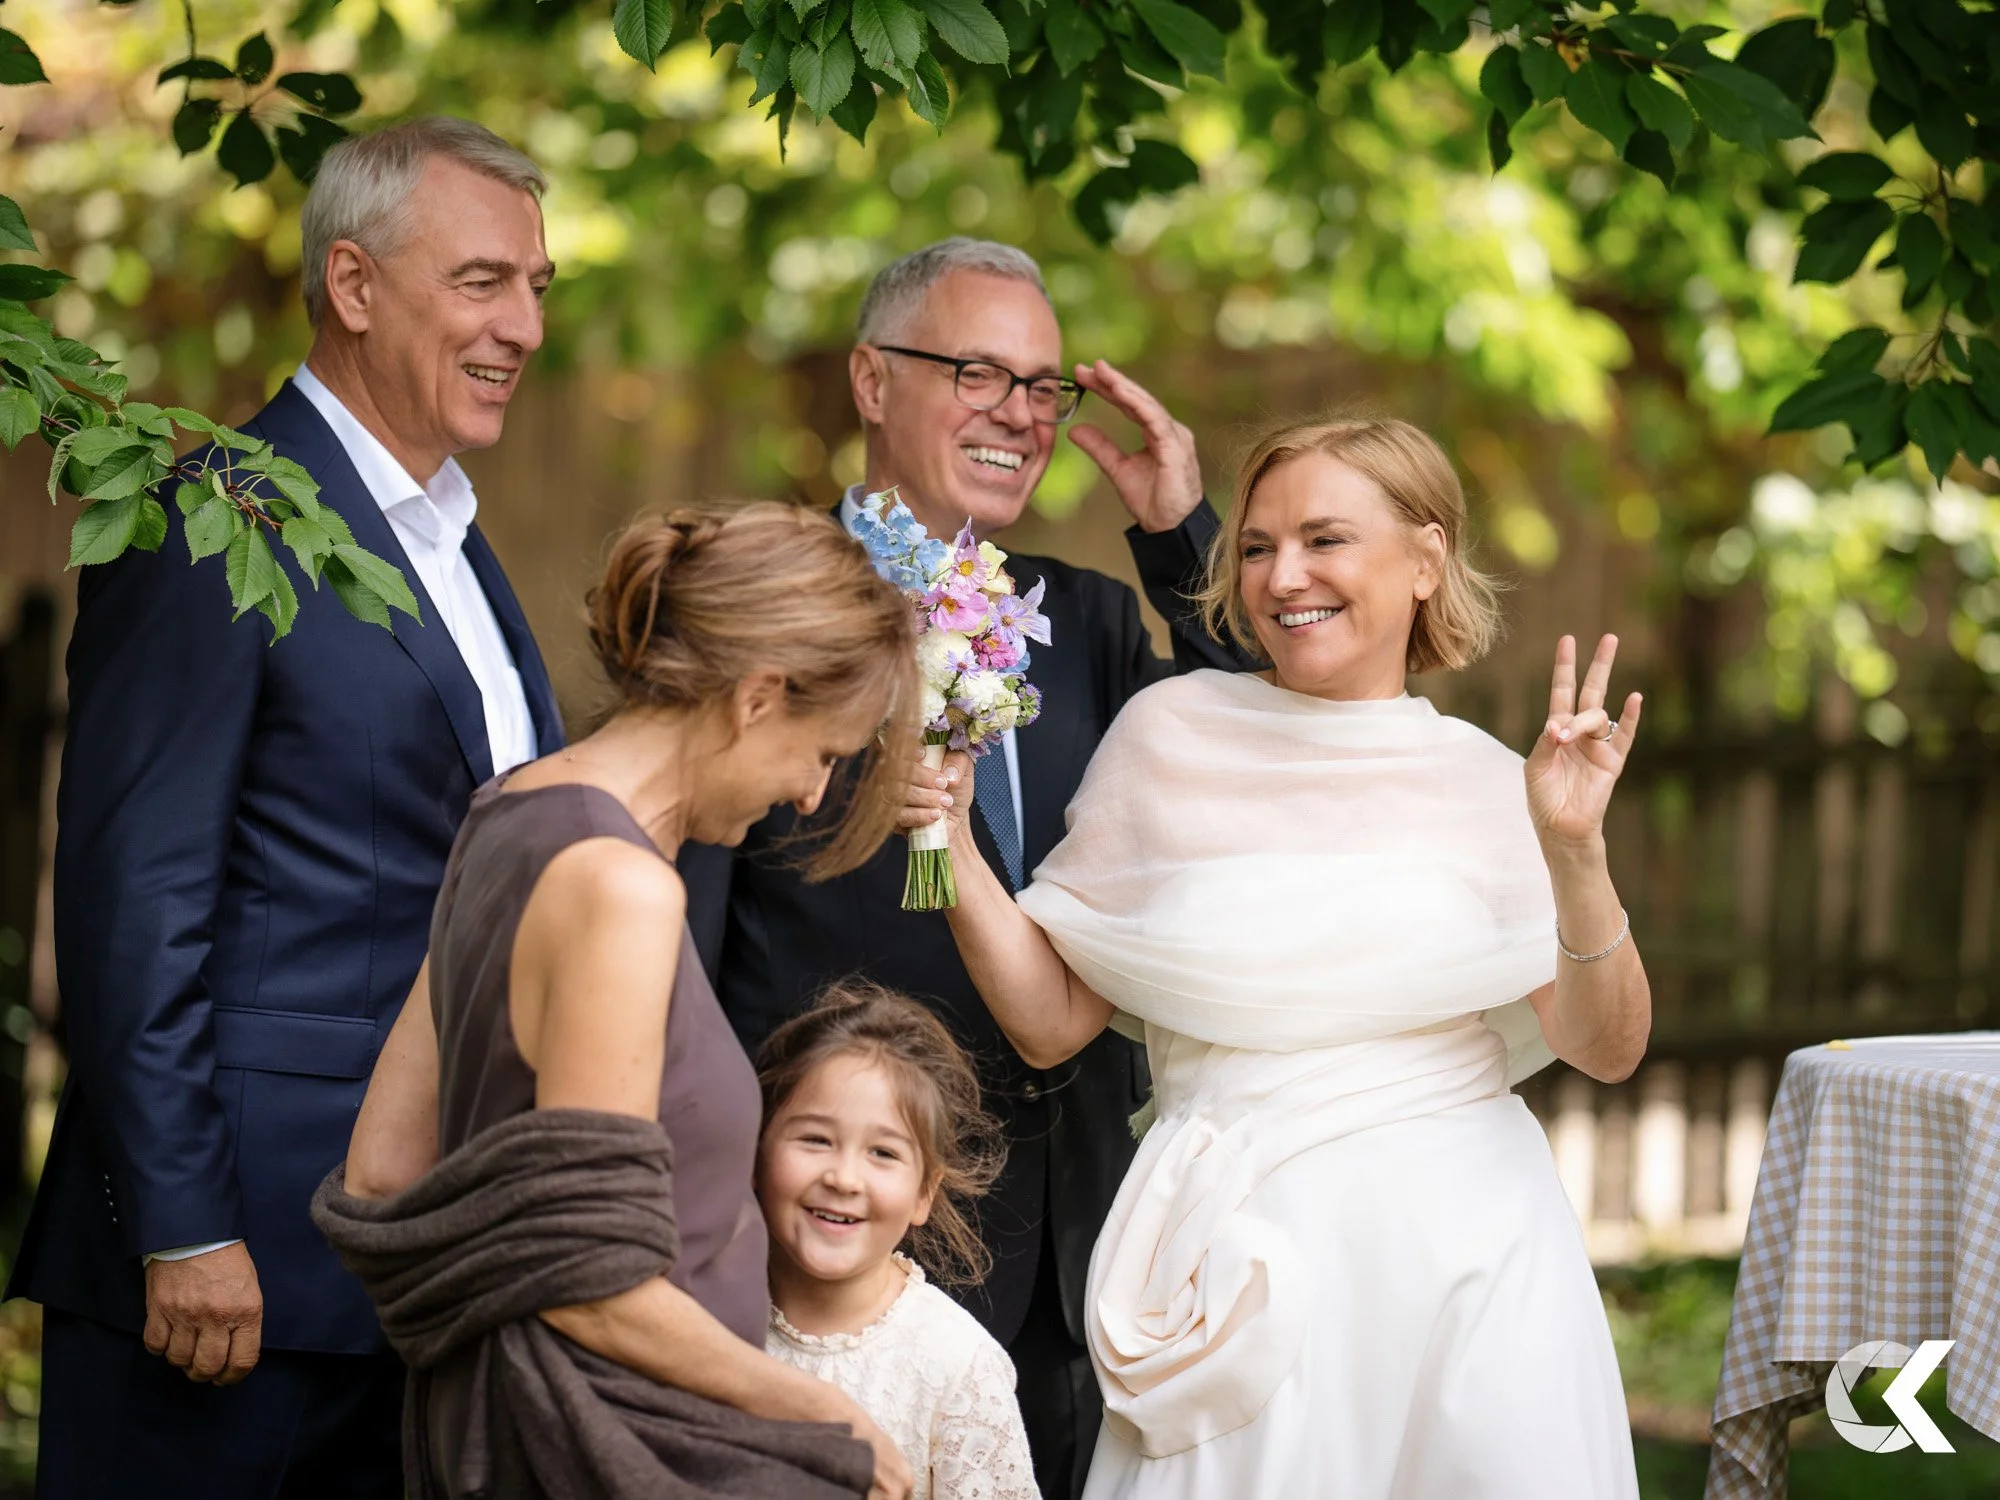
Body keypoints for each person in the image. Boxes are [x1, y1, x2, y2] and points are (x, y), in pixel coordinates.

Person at [916, 415, 1649, 1499]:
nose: (1280, 576)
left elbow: (1605, 1047)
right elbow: (1050, 1018)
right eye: (1255, 547)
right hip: (1236, 1279)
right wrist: (948, 842)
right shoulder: (1168, 735)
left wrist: (1576, 853)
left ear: (1425, 558)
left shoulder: (1494, 782)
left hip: (1468, 1265)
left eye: (1323, 540)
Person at [10, 117, 565, 1499]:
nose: (527, 325)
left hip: (410, 1271)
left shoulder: (455, 545)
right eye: (485, 281)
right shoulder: (210, 515)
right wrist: (185, 1227)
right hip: (224, 1284)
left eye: (541, 287)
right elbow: (136, 896)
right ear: (355, 285)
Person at [681, 237, 1255, 1500]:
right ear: (872, 380)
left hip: (1070, 1246)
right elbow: (686, 946)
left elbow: (1266, 747)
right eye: (978, 372)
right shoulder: (758, 607)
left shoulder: (1092, 624)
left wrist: (1178, 532)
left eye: (1044, 387)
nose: (1021, 414)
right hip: (829, 1229)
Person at [333, 505, 921, 1500]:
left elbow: (384, 1172)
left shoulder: (505, 813)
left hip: (496, 1428)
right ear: (756, 697)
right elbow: (589, 1287)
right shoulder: (624, 889)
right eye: (823, 753)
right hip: (610, 1446)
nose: (813, 794)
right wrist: (823, 1412)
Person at [757, 982, 1039, 1500]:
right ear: (759, 1150)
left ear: (923, 1194)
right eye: (816, 1139)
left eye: (883, 1153)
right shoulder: (713, 1319)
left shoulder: (956, 1366)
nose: (843, 1177)